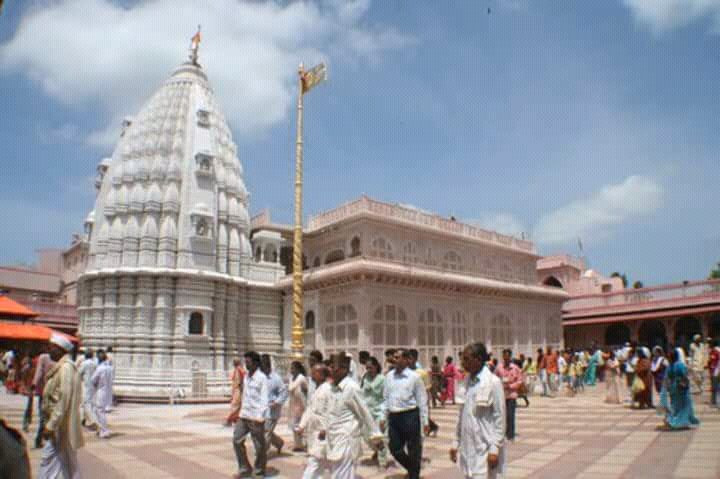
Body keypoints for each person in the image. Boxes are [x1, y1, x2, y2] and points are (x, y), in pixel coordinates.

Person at [450, 342, 505, 479]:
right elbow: (461, 415)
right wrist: (455, 442)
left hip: (485, 447)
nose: (463, 363)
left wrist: (494, 449)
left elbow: (500, 418)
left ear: (479, 359)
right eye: (462, 359)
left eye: (466, 359)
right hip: (468, 448)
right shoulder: (466, 382)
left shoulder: (493, 382)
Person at [326, 352, 383, 478]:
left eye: (333, 367)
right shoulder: (332, 388)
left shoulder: (351, 388)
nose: (330, 371)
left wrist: (376, 437)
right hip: (334, 439)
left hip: (347, 440)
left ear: (344, 369)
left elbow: (364, 413)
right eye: (330, 367)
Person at [38, 333, 84, 479]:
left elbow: (64, 399)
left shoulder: (66, 368)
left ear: (60, 349)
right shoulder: (61, 367)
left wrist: (51, 425)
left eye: (51, 348)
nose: (49, 351)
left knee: (50, 460)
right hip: (59, 425)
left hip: (60, 425)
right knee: (63, 462)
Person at [382, 349, 429, 479]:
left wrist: (425, 421)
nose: (394, 359)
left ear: (406, 360)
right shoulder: (389, 376)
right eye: (394, 357)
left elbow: (422, 400)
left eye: (397, 357)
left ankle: (413, 475)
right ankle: (413, 469)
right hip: (394, 417)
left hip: (410, 416)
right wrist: (383, 417)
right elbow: (385, 398)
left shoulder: (414, 377)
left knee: (414, 449)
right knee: (394, 448)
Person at [233, 351, 269, 478]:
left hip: (256, 417)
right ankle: (244, 467)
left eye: (248, 362)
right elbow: (245, 396)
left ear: (255, 363)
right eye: (245, 362)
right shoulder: (247, 376)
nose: (246, 365)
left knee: (259, 446)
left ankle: (259, 471)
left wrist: (260, 416)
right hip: (244, 415)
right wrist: (239, 412)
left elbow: (264, 399)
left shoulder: (262, 378)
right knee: (237, 440)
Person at [297, 364, 332, 479]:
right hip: (313, 431)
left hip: (322, 433)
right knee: (320, 464)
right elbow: (310, 409)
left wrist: (326, 429)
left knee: (314, 461)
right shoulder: (316, 390)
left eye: (315, 373)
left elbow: (332, 412)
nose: (312, 375)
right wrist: (302, 426)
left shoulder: (328, 389)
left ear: (322, 375)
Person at [659, 348, 700, 430]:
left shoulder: (669, 366)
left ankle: (675, 420)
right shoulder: (680, 365)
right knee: (684, 406)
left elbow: (666, 379)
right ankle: (680, 422)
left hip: (673, 388)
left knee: (675, 405)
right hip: (681, 388)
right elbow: (685, 374)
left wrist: (666, 388)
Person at [360, 356, 389, 468]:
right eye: (367, 368)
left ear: (376, 367)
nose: (369, 370)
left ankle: (382, 461)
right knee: (366, 436)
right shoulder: (365, 378)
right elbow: (361, 393)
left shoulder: (382, 379)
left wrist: (383, 416)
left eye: (371, 367)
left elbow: (385, 398)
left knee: (379, 436)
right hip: (367, 411)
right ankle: (377, 450)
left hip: (378, 411)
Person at [260, 354, 288, 456]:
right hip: (261, 410)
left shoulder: (276, 378)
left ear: (267, 365)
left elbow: (284, 392)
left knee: (266, 432)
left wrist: (276, 402)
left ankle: (262, 455)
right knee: (264, 431)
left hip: (272, 411)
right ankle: (279, 442)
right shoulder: (260, 377)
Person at [409, 349, 439, 437]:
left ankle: (432, 427)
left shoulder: (422, 373)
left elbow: (427, 389)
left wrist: (426, 403)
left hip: (420, 402)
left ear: (415, 359)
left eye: (410, 358)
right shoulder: (404, 373)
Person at [495, 349, 522, 441]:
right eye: (504, 356)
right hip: (502, 395)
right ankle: (503, 433)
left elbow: (519, 381)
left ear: (510, 357)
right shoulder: (499, 368)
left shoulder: (515, 368)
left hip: (511, 394)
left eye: (507, 356)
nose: (506, 358)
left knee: (511, 415)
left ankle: (511, 435)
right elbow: (495, 379)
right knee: (503, 415)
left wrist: (511, 386)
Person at [32, 349, 55, 449]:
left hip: (54, 392)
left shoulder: (61, 359)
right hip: (45, 391)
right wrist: (34, 383)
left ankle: (47, 440)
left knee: (50, 417)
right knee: (44, 416)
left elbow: (39, 371)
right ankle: (39, 439)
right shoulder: (44, 357)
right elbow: (39, 372)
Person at [91, 350, 113, 439]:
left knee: (100, 411)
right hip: (108, 391)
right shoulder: (110, 368)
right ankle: (102, 429)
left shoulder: (100, 368)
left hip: (101, 391)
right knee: (101, 411)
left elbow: (93, 379)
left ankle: (104, 430)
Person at [288, 361, 308, 451]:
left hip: (302, 403)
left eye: (293, 368)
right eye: (291, 368)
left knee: (302, 424)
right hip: (294, 403)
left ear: (298, 369)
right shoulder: (291, 378)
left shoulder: (301, 378)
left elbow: (306, 390)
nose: (291, 370)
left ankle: (306, 443)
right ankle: (298, 445)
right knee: (294, 424)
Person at [78, 350, 98, 429]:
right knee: (89, 403)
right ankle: (83, 418)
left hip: (85, 385)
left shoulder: (84, 363)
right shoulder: (94, 364)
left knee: (85, 403)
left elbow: (79, 373)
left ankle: (92, 420)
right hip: (93, 385)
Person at [226, 357, 245, 426]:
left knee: (235, 406)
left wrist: (241, 388)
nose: (233, 363)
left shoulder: (240, 370)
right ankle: (235, 420)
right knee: (236, 405)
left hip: (238, 390)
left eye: (234, 362)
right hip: (236, 390)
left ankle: (229, 420)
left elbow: (242, 379)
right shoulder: (237, 370)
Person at [709, 339, 720, 407]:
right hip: (716, 371)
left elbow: (713, 362)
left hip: (716, 371)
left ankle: (714, 402)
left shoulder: (715, 351)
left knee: (714, 387)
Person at [104, 346, 115, 413]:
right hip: (110, 374)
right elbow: (113, 367)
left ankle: (106, 406)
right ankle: (108, 406)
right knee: (109, 390)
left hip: (105, 374)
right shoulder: (113, 356)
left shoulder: (106, 355)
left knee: (105, 390)